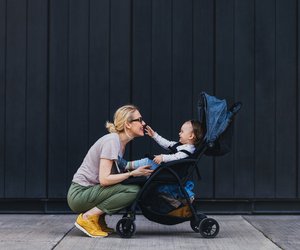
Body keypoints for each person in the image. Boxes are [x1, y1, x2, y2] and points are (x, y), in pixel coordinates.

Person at [67, 105, 153, 238]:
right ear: (127, 124)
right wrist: (131, 174)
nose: (143, 123)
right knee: (132, 190)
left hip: (88, 191)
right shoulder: (112, 141)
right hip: (80, 194)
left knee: (129, 186)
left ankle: (97, 220)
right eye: (139, 120)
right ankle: (88, 218)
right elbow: (104, 179)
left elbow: (119, 170)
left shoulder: (120, 144)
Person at [119, 120, 203, 173]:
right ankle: (128, 170)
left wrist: (163, 157)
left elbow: (175, 157)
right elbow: (167, 143)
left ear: (191, 136)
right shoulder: (182, 145)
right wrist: (154, 135)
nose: (179, 133)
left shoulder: (187, 151)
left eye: (182, 131)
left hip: (169, 171)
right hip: (167, 168)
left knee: (148, 162)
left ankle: (126, 165)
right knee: (148, 163)